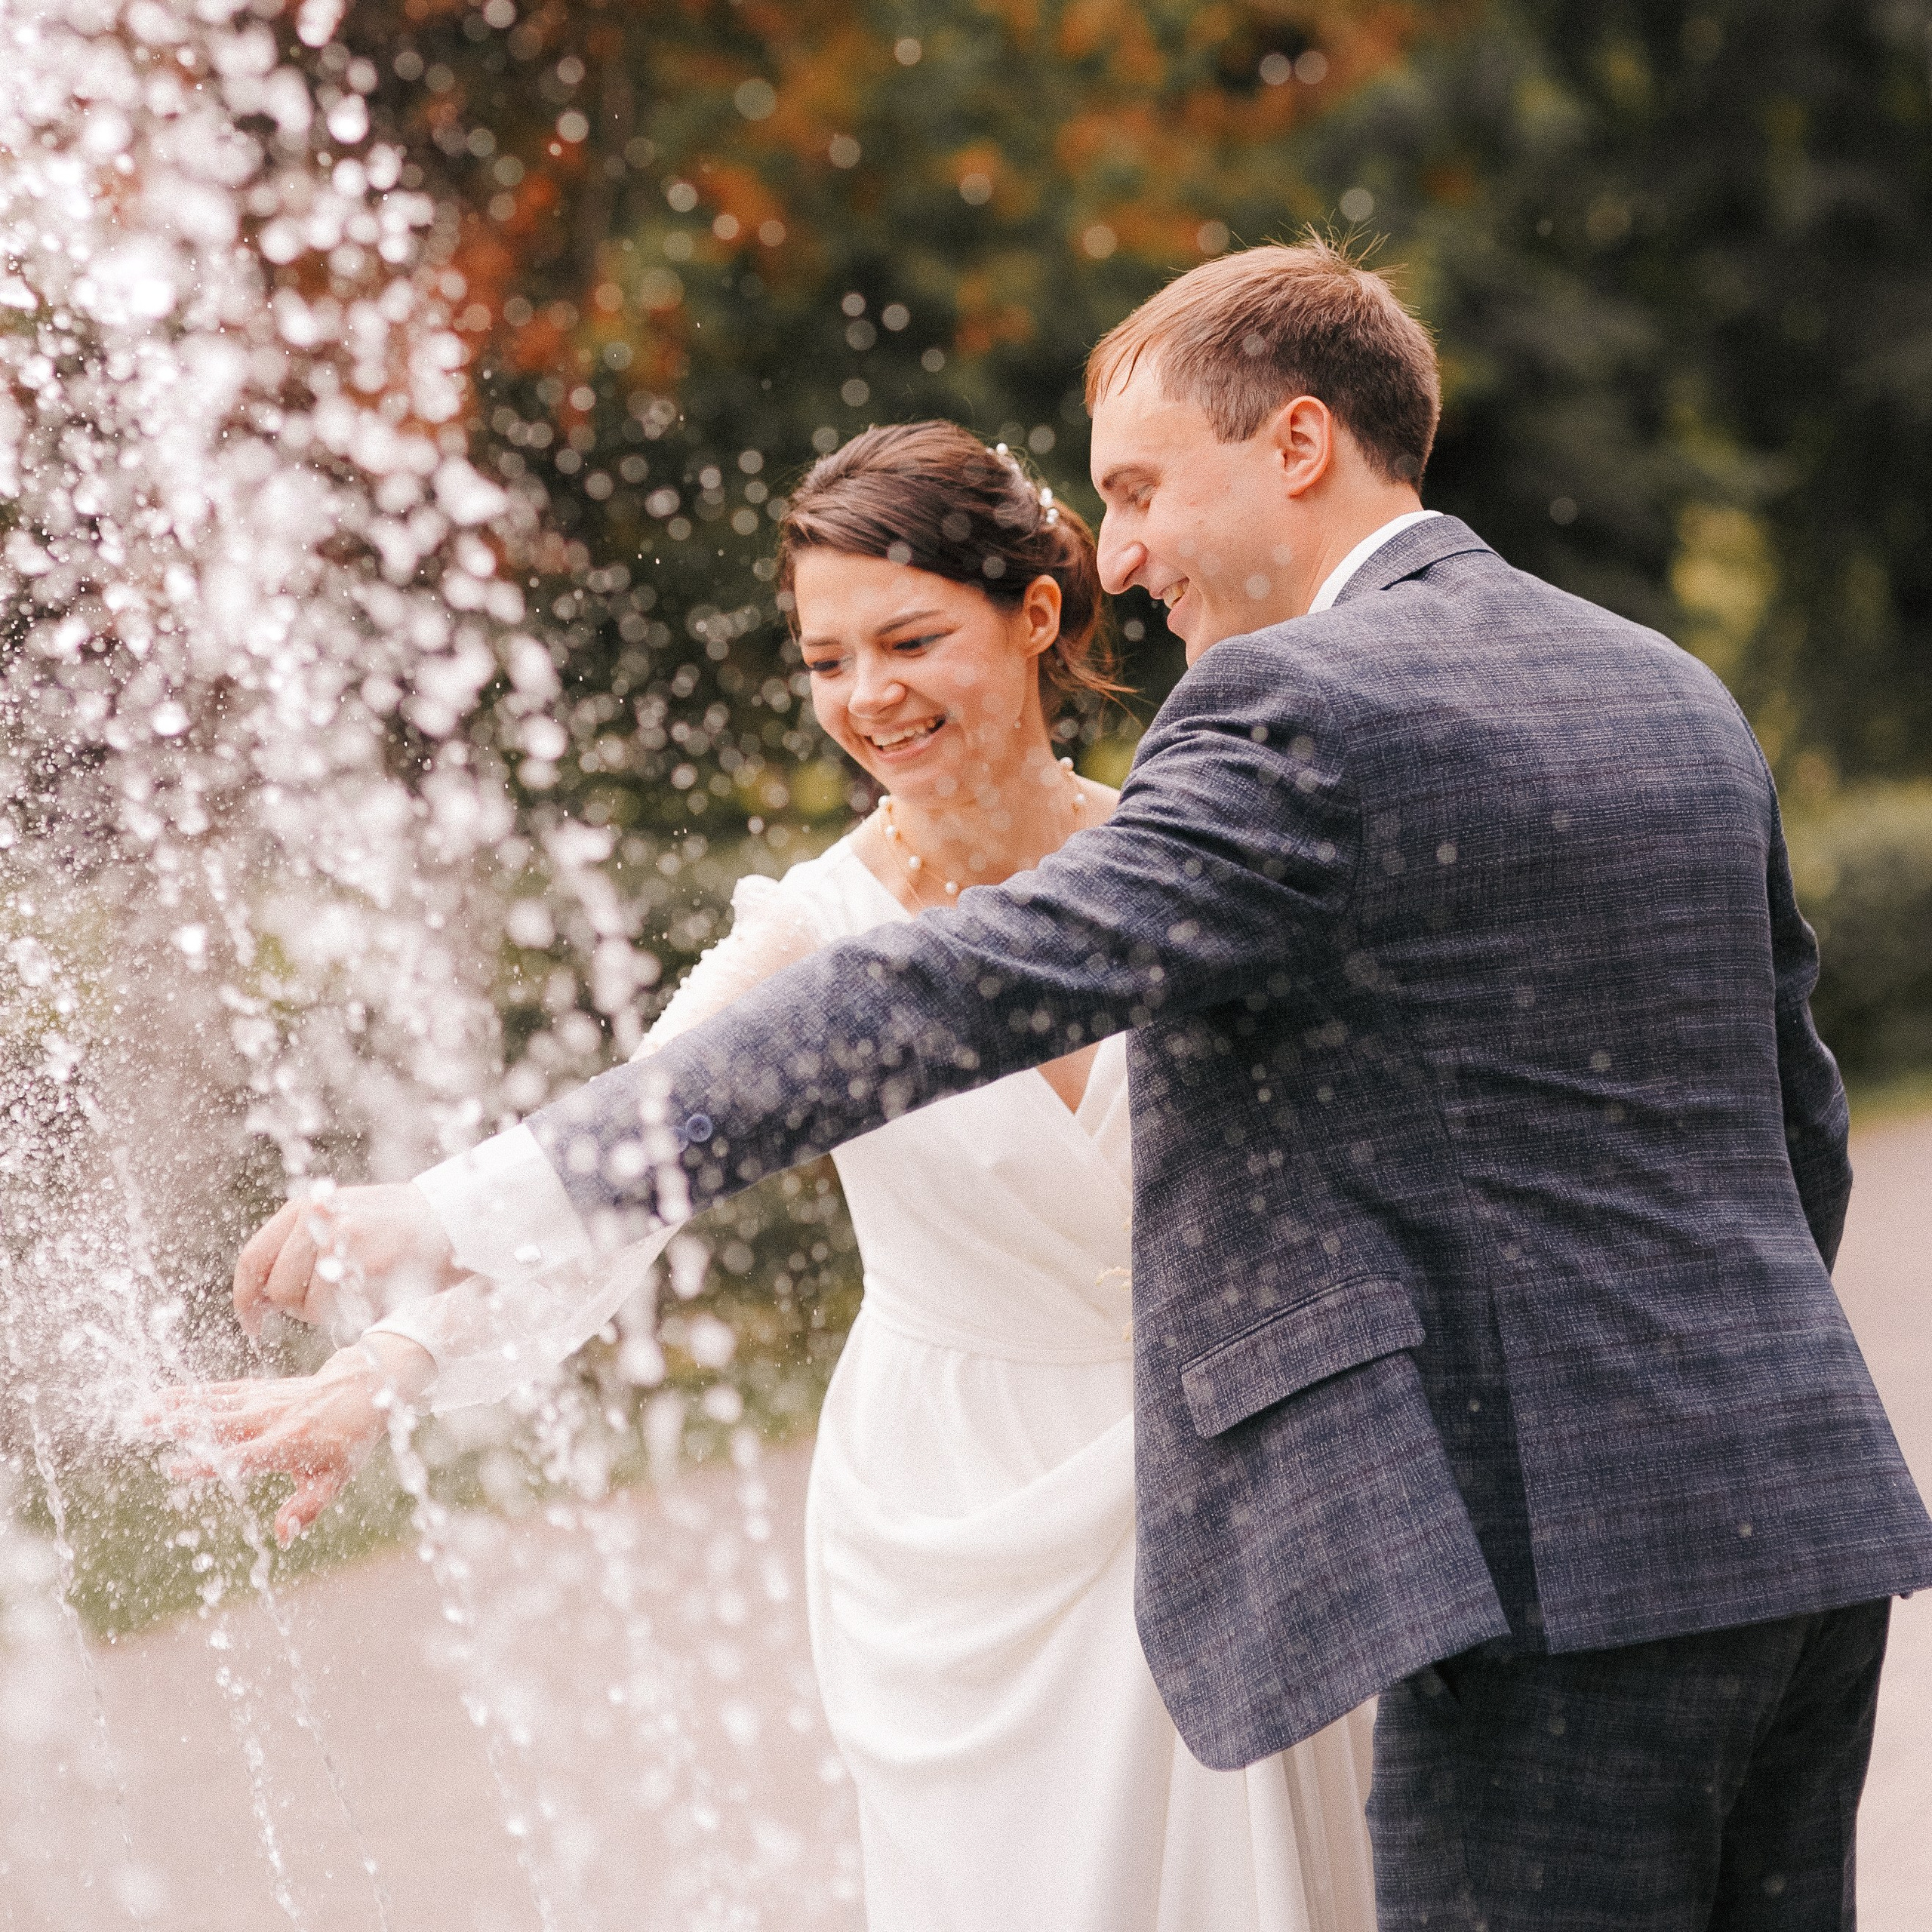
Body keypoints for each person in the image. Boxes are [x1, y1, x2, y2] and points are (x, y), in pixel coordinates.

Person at [171, 236, 1932, 1928]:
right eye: (824, 657)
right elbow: (1789, 1125)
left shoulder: (1291, 716)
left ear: (1297, 442)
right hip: (1788, 1517)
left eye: (1146, 490)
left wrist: (449, 1195)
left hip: (1527, 1557)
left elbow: (954, 986)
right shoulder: (1666, 687)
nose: (1127, 549)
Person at [150, 423, 1378, 1932]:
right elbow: (632, 1154)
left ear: (1037, 616)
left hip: (1220, 1460)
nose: (868, 698)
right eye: (826, 659)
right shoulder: (809, 931)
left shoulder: (1180, 870)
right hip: (956, 1513)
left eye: (912, 639)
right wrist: (380, 1365)